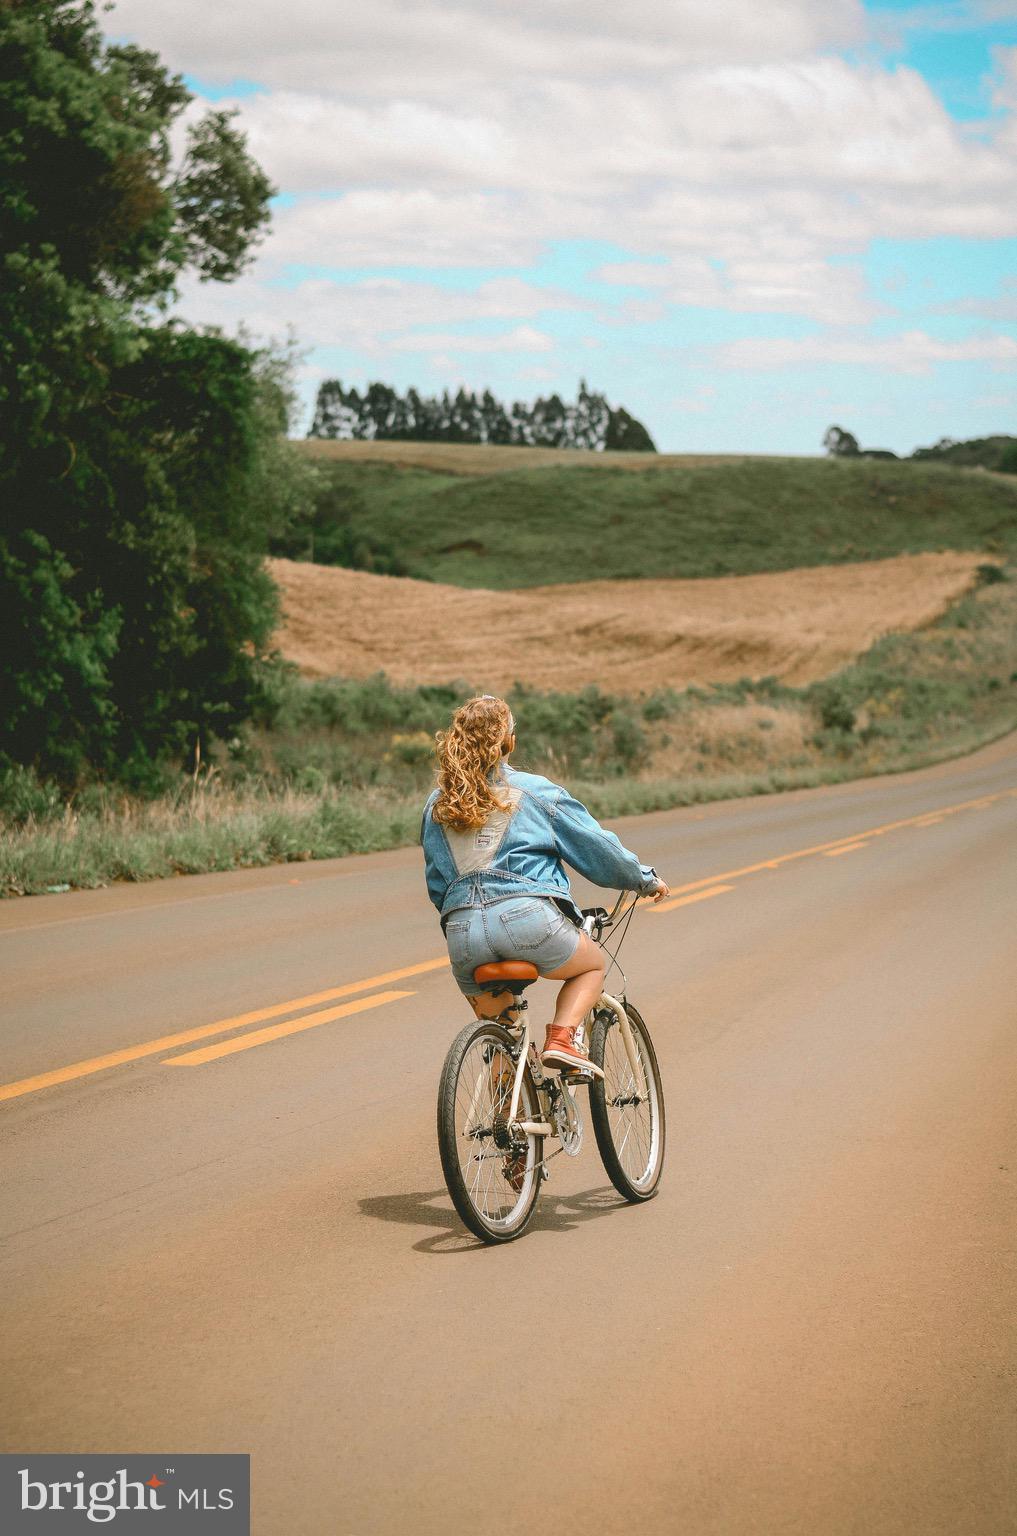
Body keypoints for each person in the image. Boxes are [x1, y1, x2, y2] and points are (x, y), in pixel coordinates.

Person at [420, 694, 670, 1077]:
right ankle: (562, 1040)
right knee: (591, 967)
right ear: (509, 742)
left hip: (462, 932)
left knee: (504, 1037)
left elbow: (438, 885)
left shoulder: (438, 803)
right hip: (526, 920)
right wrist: (643, 879)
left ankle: (507, 1119)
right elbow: (598, 849)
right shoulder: (536, 791)